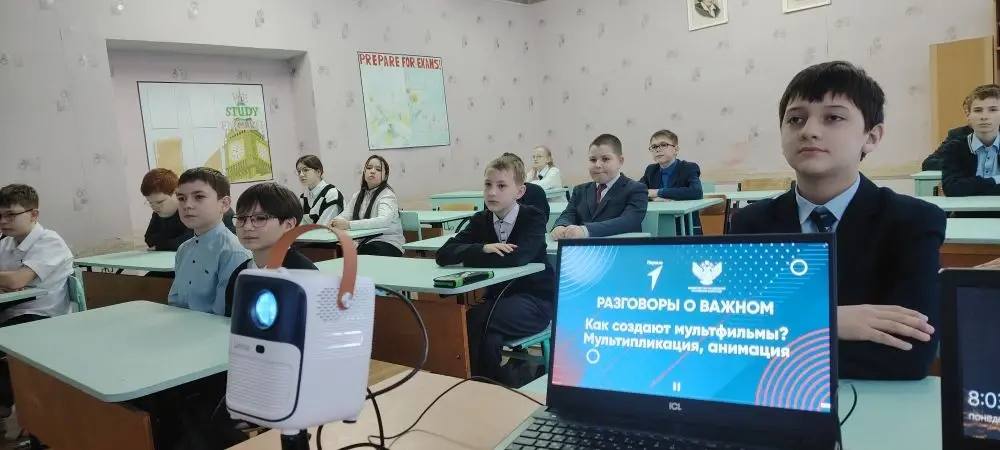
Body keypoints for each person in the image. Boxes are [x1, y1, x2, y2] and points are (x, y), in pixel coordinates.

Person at [729, 61, 946, 380]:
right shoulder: (750, 223)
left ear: (872, 137)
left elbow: (910, 355)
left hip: (875, 402)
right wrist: (830, 320)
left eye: (833, 118)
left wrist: (784, 330)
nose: (809, 130)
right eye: (795, 119)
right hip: (772, 399)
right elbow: (732, 342)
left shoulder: (912, 221)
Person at [436, 154, 553, 385]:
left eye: (501, 186)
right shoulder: (480, 220)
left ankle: (481, 385)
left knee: (474, 319)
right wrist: (484, 248)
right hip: (497, 301)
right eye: (488, 185)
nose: (492, 192)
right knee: (487, 336)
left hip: (535, 301)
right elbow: (444, 254)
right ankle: (492, 386)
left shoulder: (533, 217)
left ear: (519, 191)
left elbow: (519, 257)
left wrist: (473, 255)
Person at [0, 184, 73, 439]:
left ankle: (13, 409)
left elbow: (16, 281)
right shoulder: (6, 243)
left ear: (34, 214)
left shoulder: (49, 241)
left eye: (10, 215)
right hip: (12, 311)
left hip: (42, 317)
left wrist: (10, 280)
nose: (3, 221)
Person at [167, 168, 251, 316]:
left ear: (224, 204)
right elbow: (174, 301)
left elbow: (223, 315)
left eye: (199, 197)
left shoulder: (233, 253)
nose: (187, 205)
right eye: (181, 198)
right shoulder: (183, 249)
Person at [225, 182, 317, 316]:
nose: (247, 227)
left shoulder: (305, 275)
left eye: (260, 218)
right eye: (241, 218)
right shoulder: (239, 274)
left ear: (289, 225)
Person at [551, 134, 648, 239]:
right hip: (582, 248)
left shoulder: (636, 189)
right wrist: (561, 226)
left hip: (619, 247)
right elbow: (568, 214)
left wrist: (585, 230)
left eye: (605, 159)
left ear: (620, 161)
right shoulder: (580, 190)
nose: (597, 165)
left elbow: (629, 221)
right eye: (593, 160)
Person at [141, 168, 235, 251]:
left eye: (160, 202)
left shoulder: (212, 210)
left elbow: (192, 240)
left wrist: (163, 244)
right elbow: (149, 239)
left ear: (176, 193)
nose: (154, 207)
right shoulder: (159, 212)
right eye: (150, 203)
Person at [331, 155, 405, 257]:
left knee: (360, 254)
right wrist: (334, 222)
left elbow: (383, 221)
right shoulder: (358, 195)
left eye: (378, 169)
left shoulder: (387, 195)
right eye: (369, 168)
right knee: (341, 249)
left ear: (385, 176)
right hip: (365, 242)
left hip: (388, 242)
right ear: (364, 172)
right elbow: (344, 215)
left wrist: (349, 225)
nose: (372, 171)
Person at [639, 129, 705, 233]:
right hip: (657, 226)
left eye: (663, 145)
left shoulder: (688, 167)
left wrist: (658, 192)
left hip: (685, 227)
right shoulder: (651, 170)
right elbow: (637, 192)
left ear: (676, 149)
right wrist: (655, 199)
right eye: (654, 147)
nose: (658, 149)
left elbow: (696, 192)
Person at [941, 84, 1000, 197]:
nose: (984, 116)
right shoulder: (954, 148)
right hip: (965, 209)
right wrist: (994, 180)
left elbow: (961, 187)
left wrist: (971, 185)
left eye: (993, 110)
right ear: (968, 115)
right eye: (978, 110)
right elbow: (952, 188)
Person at [295, 155, 344, 226]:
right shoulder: (303, 197)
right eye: (299, 171)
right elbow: (300, 224)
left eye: (305, 170)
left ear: (318, 172)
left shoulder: (332, 194)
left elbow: (323, 227)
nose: (301, 175)